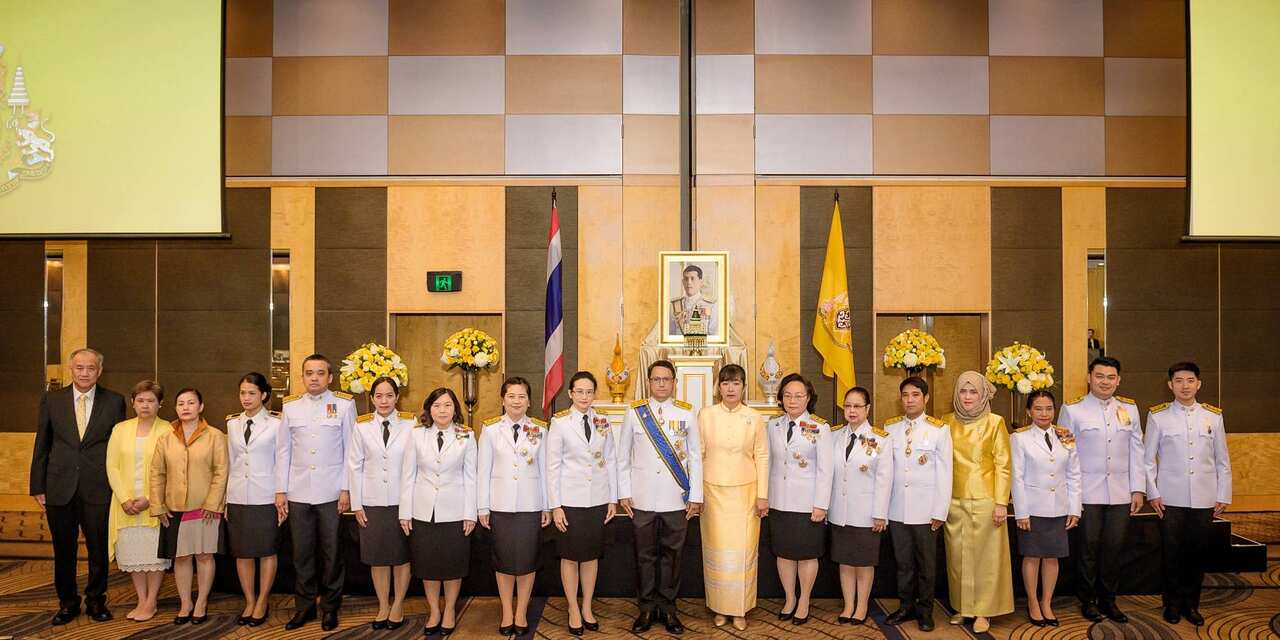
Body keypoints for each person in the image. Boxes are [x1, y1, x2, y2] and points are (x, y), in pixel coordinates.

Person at [29, 348, 127, 625]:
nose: (85, 373)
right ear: (71, 369)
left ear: (100, 371)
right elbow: (42, 444)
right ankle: (68, 603)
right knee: (63, 550)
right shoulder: (52, 400)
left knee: (98, 549)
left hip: (98, 487)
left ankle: (96, 601)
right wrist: (38, 485)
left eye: (91, 368)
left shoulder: (115, 401)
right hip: (58, 486)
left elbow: (118, 447)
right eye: (79, 368)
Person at [1059, 356, 1148, 623]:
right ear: (1089, 378)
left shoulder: (1129, 409)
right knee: (1088, 548)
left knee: (1114, 548)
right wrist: (1070, 495)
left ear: (1118, 380)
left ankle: (1109, 600)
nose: (1105, 382)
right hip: (1087, 492)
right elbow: (1066, 453)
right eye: (1099, 376)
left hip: (1121, 492)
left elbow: (1137, 450)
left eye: (1111, 377)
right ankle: (1087, 600)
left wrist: (1138, 489)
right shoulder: (1072, 410)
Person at [617, 359, 702, 634]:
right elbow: (623, 457)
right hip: (641, 499)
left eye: (666, 379)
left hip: (676, 498)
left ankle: (668, 609)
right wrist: (624, 492)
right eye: (656, 379)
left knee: (672, 556)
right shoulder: (635, 413)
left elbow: (696, 459)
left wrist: (696, 495)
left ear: (674, 383)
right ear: (649, 382)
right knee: (644, 555)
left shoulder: (687, 414)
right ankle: (645, 609)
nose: (662, 383)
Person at [1144, 361, 1232, 626]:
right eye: (1179, 381)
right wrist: (1153, 493)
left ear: (1199, 384)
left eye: (1190, 380)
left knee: (1196, 553)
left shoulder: (1213, 417)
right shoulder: (1158, 416)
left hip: (1204, 498)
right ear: (1170, 385)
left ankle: (1191, 604)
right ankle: (1171, 604)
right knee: (1171, 553)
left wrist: (1223, 494)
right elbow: (1148, 460)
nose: (1185, 385)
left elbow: (1222, 460)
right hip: (1169, 499)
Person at [278, 354, 356, 631]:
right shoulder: (290, 407)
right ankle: (305, 607)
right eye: (309, 373)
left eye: (320, 373)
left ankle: (330, 608)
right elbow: (283, 450)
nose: (314, 378)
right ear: (302, 377)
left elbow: (351, 450)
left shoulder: (344, 405)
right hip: (298, 492)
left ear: (330, 377)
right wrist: (280, 490)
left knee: (332, 553)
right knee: (301, 554)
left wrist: (347, 488)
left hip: (331, 492)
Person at [401, 387, 477, 637]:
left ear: (455, 408)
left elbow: (471, 477)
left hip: (455, 511)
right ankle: (434, 610)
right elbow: (408, 475)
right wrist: (405, 512)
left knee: (453, 565)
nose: (442, 410)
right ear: (429, 409)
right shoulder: (416, 435)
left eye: (447, 405)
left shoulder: (467, 436)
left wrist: (470, 513)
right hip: (423, 511)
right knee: (428, 565)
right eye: (437, 405)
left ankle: (451, 609)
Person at [547, 371, 619, 635]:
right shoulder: (560, 422)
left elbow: (610, 459)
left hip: (597, 499)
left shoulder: (602, 420)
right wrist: (555, 505)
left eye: (589, 392)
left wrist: (612, 498)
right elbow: (552, 466)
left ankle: (587, 605)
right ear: (570, 393)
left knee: (590, 556)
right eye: (580, 391)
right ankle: (572, 608)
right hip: (570, 501)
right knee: (569, 556)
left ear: (594, 394)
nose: (585, 397)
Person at [477, 377, 550, 637]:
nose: (516, 401)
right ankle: (507, 610)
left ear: (529, 401)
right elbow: (482, 470)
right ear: (503, 399)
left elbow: (546, 471)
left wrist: (547, 506)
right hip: (501, 505)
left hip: (531, 505)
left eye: (521, 396)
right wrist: (482, 507)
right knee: (504, 561)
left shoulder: (541, 429)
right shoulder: (490, 429)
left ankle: (521, 612)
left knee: (528, 562)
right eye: (511, 396)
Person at [941, 371, 1013, 633]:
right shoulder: (946, 422)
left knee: (986, 559)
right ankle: (963, 607)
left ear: (983, 395)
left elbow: (1004, 465)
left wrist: (1001, 502)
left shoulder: (995, 422)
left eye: (973, 392)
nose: (968, 397)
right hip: (954, 500)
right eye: (963, 391)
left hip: (986, 500)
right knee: (957, 557)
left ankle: (983, 611)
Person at [149, 387, 228, 626]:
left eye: (191, 403)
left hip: (205, 508)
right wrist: (158, 505)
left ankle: (202, 601)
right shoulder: (165, 438)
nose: (185, 407)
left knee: (204, 556)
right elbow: (156, 474)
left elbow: (221, 471)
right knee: (181, 558)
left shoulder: (215, 436)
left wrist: (213, 503)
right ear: (176, 408)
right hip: (174, 507)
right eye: (181, 403)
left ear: (201, 407)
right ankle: (186, 603)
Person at [698, 364, 768, 631]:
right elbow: (699, 455)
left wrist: (763, 496)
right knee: (715, 552)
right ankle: (719, 607)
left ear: (743, 387)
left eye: (736, 383)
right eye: (725, 383)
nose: (730, 388)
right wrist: (696, 494)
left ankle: (739, 610)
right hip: (712, 492)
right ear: (718, 387)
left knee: (743, 553)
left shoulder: (754, 417)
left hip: (746, 492)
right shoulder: (705, 415)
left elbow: (762, 455)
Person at [884, 376, 953, 632]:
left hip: (926, 511)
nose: (909, 400)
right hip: (897, 508)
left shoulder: (939, 430)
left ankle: (925, 610)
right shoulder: (889, 429)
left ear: (926, 398)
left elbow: (946, 473)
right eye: (905, 395)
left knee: (926, 565)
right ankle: (905, 606)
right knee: (903, 563)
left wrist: (940, 511)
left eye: (915, 395)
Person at [764, 373, 833, 625]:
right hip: (779, 501)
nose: (792, 400)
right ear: (781, 398)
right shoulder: (772, 425)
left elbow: (826, 470)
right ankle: (789, 598)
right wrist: (765, 497)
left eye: (798, 395)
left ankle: (804, 599)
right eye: (787, 395)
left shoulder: (820, 427)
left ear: (808, 398)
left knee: (806, 554)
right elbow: (768, 463)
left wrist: (821, 505)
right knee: (783, 553)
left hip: (807, 504)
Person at [348, 376, 415, 630]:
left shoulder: (411, 424)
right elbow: (354, 466)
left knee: (400, 556)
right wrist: (357, 504)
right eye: (379, 396)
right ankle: (383, 605)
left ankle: (397, 603)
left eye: (389, 395)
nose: (384, 401)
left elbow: (414, 466)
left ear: (397, 397)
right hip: (372, 501)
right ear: (372, 398)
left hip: (402, 501)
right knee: (377, 557)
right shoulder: (362, 426)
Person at [1010, 390, 1081, 627]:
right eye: (1038, 409)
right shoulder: (1019, 438)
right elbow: (1016, 478)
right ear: (1029, 412)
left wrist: (1074, 508)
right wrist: (1021, 512)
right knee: (1032, 556)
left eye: (1049, 408)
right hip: (1032, 508)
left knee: (1052, 557)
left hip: (1059, 507)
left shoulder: (1065, 435)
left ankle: (1046, 602)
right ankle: (1032, 602)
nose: (1044, 413)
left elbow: (1074, 473)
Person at [104, 379, 171, 622]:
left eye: (151, 401)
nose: (145, 405)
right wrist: (124, 499)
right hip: (125, 504)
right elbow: (111, 466)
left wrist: (151, 499)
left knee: (154, 557)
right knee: (134, 555)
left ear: (160, 404)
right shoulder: (120, 429)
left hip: (154, 503)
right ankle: (141, 599)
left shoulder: (168, 430)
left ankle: (151, 600)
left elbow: (171, 470)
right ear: (132, 402)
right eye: (140, 400)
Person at [225, 372, 285, 627]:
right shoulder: (231, 424)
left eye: (251, 393)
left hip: (265, 496)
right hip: (239, 495)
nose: (246, 398)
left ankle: (262, 599)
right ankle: (249, 599)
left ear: (263, 395)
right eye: (242, 393)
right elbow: (230, 462)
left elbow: (282, 461)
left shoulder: (276, 424)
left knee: (266, 550)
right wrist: (227, 500)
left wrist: (281, 495)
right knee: (243, 552)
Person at [828, 386, 891, 626]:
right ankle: (848, 605)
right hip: (840, 511)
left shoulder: (880, 439)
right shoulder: (834, 436)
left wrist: (880, 514)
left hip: (866, 512)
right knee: (845, 561)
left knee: (864, 562)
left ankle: (862, 605)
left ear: (868, 409)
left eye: (857, 406)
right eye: (848, 406)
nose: (852, 411)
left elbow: (885, 480)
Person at [669, 264, 718, 336]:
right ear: (683, 282)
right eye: (686, 279)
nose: (689, 282)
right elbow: (670, 335)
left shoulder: (711, 305)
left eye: (692, 278)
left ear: (700, 282)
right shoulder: (674, 305)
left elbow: (714, 335)